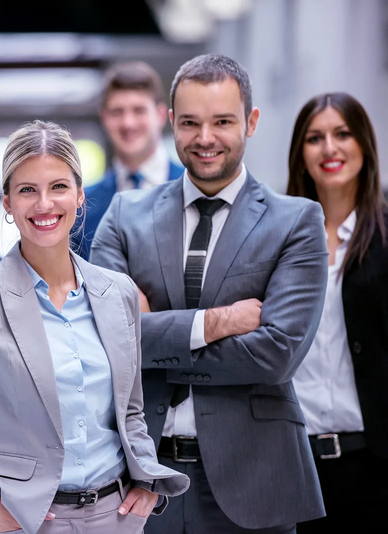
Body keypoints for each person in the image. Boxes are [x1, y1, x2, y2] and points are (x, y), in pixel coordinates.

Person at [91, 54, 328, 533]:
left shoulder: (296, 222)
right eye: (191, 123)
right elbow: (100, 340)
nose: (205, 138)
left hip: (256, 479)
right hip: (141, 480)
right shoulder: (123, 215)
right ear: (172, 123)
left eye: (222, 121)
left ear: (251, 122)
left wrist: (149, 334)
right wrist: (215, 324)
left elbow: (275, 355)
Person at [0, 120, 189, 534]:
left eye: (59, 187)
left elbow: (131, 410)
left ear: (81, 195)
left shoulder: (118, 293)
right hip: (28, 521)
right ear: (8, 204)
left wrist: (147, 483)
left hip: (117, 517)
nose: (44, 204)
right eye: (27, 190)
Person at [285, 93, 388, 532]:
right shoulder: (278, 241)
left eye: (342, 134)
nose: (329, 148)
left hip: (377, 466)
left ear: (363, 144)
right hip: (295, 467)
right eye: (315, 138)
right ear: (300, 154)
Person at [73, 61, 183, 259]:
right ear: (104, 118)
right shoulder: (82, 207)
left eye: (139, 110)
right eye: (117, 112)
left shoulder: (193, 189)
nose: (128, 123)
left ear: (160, 115)